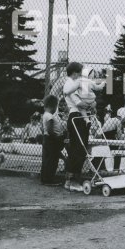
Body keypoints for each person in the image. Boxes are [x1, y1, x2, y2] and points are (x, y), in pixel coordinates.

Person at [63, 62, 104, 192]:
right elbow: (79, 102)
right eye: (80, 72)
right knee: (79, 149)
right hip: (77, 117)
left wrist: (91, 104)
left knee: (78, 148)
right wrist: (90, 105)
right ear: (75, 73)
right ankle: (73, 181)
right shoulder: (71, 84)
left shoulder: (75, 83)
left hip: (78, 117)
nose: (82, 75)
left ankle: (70, 180)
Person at [40, 95, 65, 185]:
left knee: (47, 159)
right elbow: (50, 129)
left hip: (47, 139)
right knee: (53, 160)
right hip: (51, 139)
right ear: (53, 106)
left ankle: (44, 178)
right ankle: (49, 179)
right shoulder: (50, 116)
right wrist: (56, 136)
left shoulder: (45, 115)